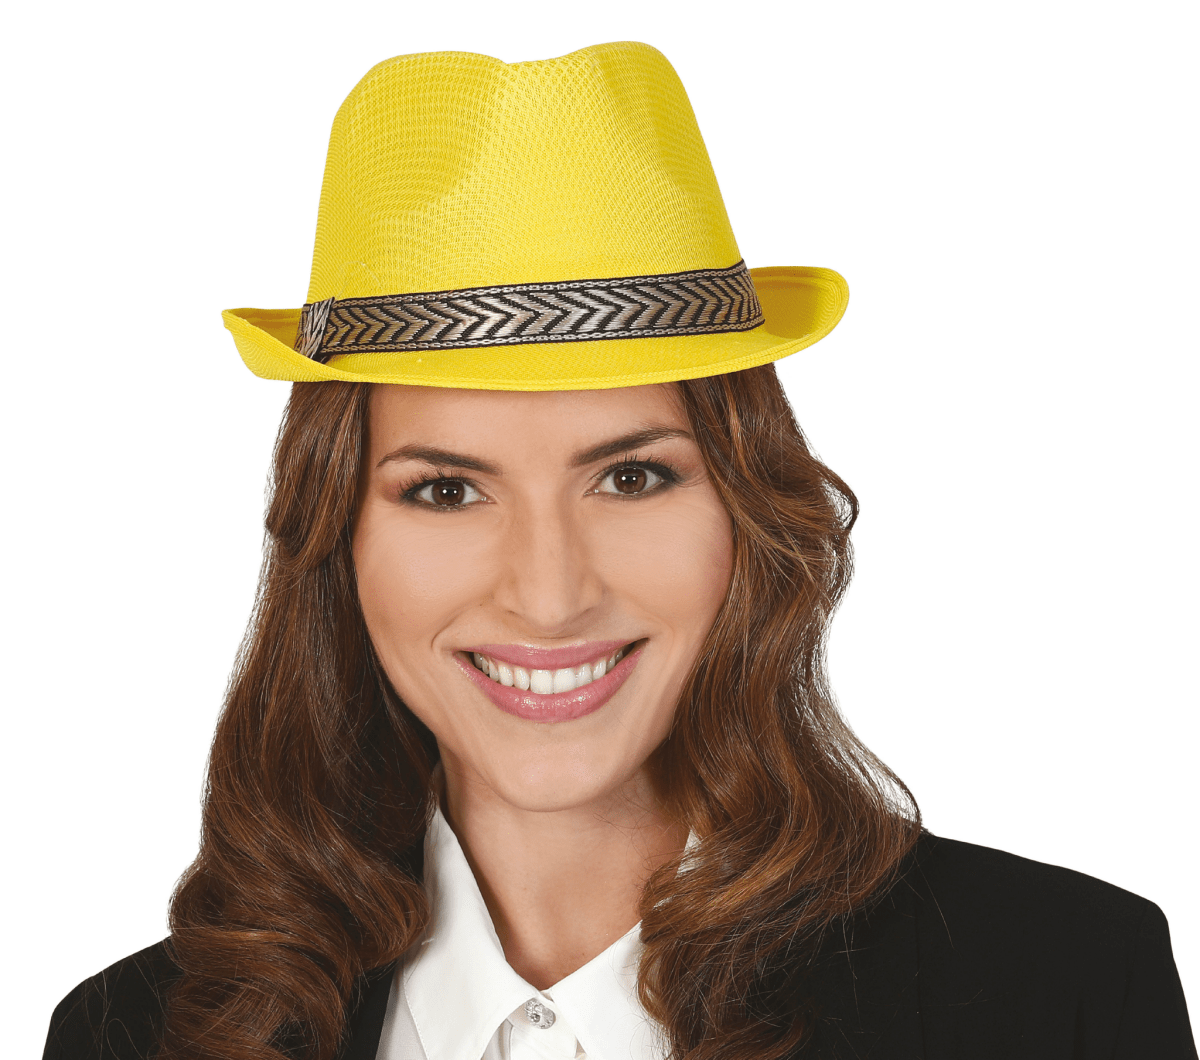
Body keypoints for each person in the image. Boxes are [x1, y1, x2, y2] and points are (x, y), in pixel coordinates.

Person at [41, 40, 1196, 1060]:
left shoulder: (1062, 992)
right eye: (446, 489)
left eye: (631, 476)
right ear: (336, 534)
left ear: (748, 505)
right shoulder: (129, 1036)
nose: (549, 594)